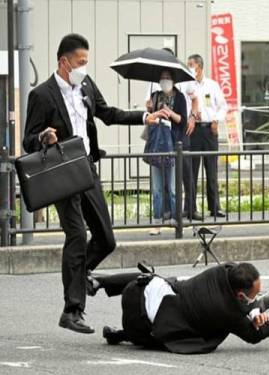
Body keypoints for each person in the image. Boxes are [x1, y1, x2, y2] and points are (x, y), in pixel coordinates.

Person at [22, 33, 168, 334]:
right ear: (64, 62)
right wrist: (43, 138)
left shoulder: (86, 85)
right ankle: (72, 310)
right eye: (80, 62)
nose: (84, 68)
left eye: (86, 63)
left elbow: (107, 114)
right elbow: (27, 141)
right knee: (76, 235)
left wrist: (145, 116)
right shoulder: (42, 95)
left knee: (106, 238)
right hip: (62, 171)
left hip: (87, 169)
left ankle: (80, 275)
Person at [91, 262, 269, 354]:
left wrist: (255, 309)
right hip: (141, 326)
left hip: (134, 291)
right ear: (240, 295)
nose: (254, 297)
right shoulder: (228, 312)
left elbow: (243, 306)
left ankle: (101, 282)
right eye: (254, 294)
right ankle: (123, 335)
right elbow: (254, 336)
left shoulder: (223, 270)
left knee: (155, 279)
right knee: (170, 334)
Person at [182, 54, 228, 218]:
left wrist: (216, 120)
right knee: (191, 171)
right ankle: (190, 207)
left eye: (191, 65)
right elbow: (184, 105)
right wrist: (191, 116)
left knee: (211, 170)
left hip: (209, 130)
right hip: (193, 130)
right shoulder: (186, 85)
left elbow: (223, 107)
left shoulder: (213, 85)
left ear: (199, 67)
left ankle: (214, 207)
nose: (189, 68)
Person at [144, 69, 188, 235]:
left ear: (173, 80)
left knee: (172, 186)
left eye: (168, 78)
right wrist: (150, 110)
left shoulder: (180, 97)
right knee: (156, 188)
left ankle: (176, 220)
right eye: (162, 78)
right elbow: (150, 119)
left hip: (173, 145)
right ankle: (157, 222)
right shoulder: (154, 96)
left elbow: (182, 121)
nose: (165, 81)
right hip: (156, 144)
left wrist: (170, 113)